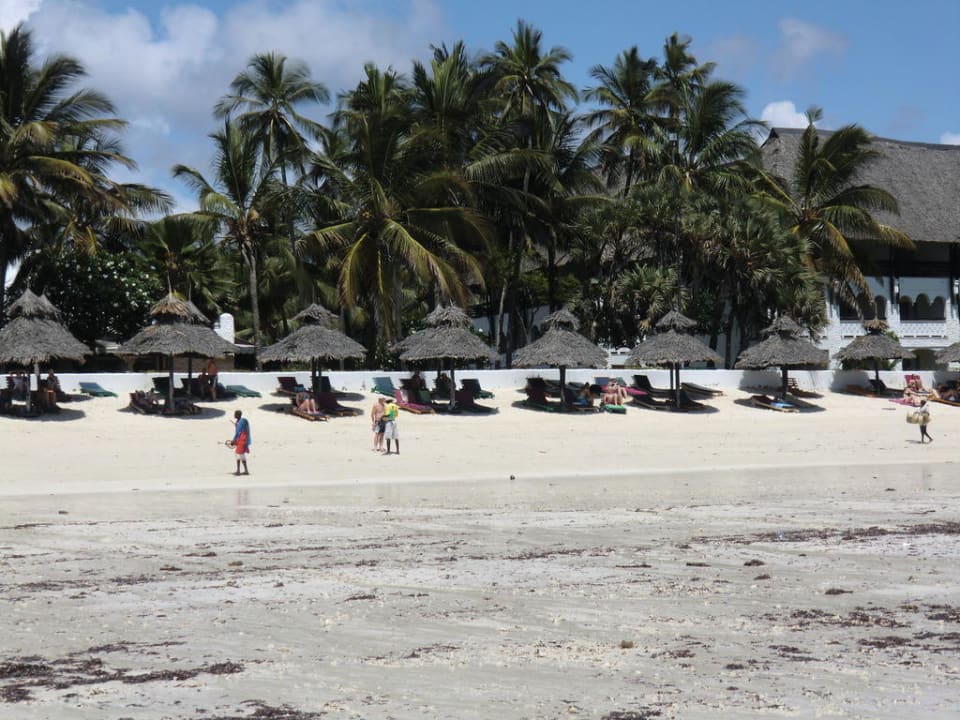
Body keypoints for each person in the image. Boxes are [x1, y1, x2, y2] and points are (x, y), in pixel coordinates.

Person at [229, 409, 251, 474]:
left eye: (235, 414)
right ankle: (246, 470)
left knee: (238, 454)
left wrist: (233, 440)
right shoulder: (241, 421)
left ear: (238, 415)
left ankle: (238, 471)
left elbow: (238, 433)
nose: (234, 415)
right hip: (243, 439)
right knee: (242, 455)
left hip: (242, 439)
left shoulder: (240, 422)